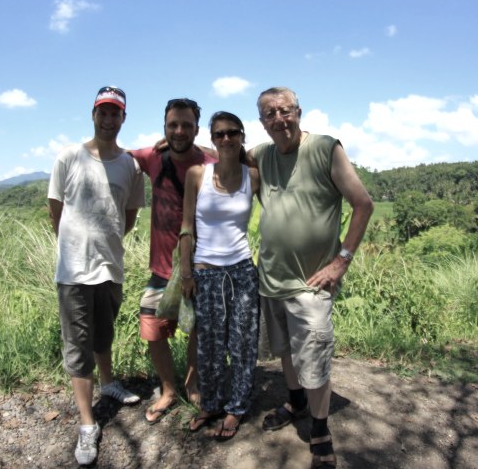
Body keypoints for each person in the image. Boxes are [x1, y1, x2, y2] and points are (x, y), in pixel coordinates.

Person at [249, 87, 374, 469]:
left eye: (285, 111)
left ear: (298, 112)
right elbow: (221, 150)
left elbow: (363, 204)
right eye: (270, 114)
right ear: (262, 122)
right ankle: (297, 402)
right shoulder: (261, 154)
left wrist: (341, 262)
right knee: (285, 350)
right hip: (271, 277)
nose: (278, 119)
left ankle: (319, 429)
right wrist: (171, 145)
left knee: (314, 356)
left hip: (312, 283)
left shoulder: (324, 148)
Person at [48, 86, 145, 466]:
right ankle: (88, 424)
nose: (108, 119)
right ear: (93, 115)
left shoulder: (130, 166)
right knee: (78, 345)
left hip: (110, 265)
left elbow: (130, 216)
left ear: (123, 118)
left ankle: (109, 385)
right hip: (73, 270)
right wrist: (73, 245)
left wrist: (104, 244)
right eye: (102, 112)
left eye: (115, 113)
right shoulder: (69, 157)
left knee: (105, 332)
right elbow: (55, 208)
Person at [129, 98, 218, 423]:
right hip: (161, 268)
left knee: (196, 329)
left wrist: (205, 145)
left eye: (186, 125)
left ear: (197, 128)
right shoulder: (153, 156)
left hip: (200, 266)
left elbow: (241, 159)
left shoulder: (210, 162)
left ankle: (192, 385)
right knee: (154, 329)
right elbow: (115, 154)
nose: (179, 131)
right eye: (173, 125)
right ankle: (168, 389)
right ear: (164, 127)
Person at [179, 111, 260, 441]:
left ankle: (236, 408)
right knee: (209, 347)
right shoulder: (197, 174)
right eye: (219, 134)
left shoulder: (253, 175)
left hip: (242, 271)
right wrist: (186, 273)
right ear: (211, 139)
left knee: (243, 344)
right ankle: (211, 404)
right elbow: (187, 227)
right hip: (206, 273)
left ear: (242, 136)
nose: (226, 139)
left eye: (232, 133)